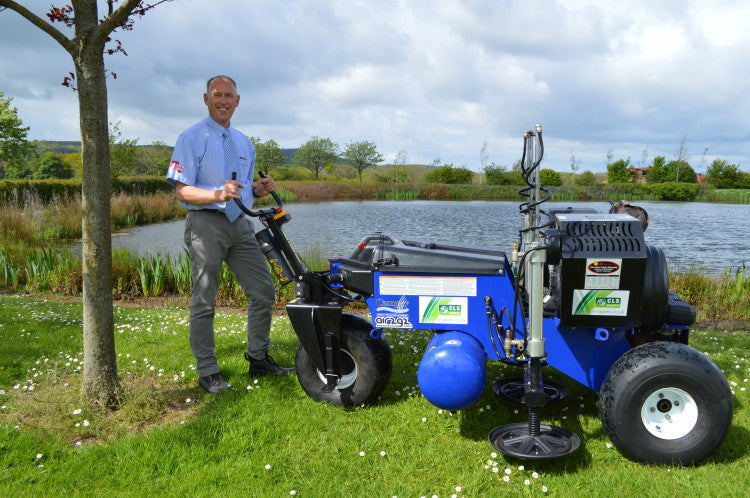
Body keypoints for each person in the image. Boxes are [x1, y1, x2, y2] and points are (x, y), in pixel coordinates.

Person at [166, 75, 294, 394]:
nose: (223, 100)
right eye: (217, 95)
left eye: (229, 96)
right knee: (205, 298)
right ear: (206, 99)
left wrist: (257, 189)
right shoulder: (191, 137)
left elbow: (241, 190)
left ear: (238, 101)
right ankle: (208, 370)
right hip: (206, 224)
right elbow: (182, 192)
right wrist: (216, 195)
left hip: (240, 224)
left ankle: (258, 358)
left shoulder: (243, 142)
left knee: (263, 290)